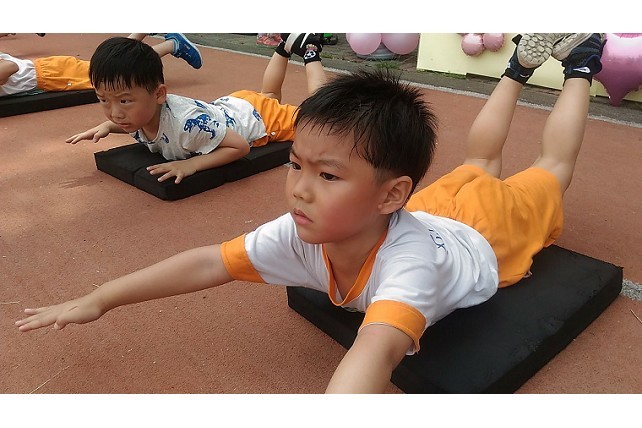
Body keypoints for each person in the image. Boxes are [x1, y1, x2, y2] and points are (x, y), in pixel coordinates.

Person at [15, 33, 605, 393]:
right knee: (479, 160)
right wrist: (101, 298)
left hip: (486, 234)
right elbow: (207, 263)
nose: (298, 189)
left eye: (327, 175)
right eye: (296, 165)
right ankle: (519, 68)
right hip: (428, 212)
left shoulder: (409, 268)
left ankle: (579, 64)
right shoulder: (311, 227)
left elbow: (374, 351)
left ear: (388, 194)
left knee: (551, 170)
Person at [65, 33, 327, 184]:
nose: (115, 113)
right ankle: (285, 47)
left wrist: (192, 165)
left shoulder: (186, 126)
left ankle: (310, 49)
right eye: (103, 100)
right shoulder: (135, 115)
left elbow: (240, 147)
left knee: (321, 120)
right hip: (235, 105)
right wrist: (107, 127)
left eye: (123, 101)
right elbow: (126, 120)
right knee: (268, 95)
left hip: (262, 119)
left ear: (159, 94)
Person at [0, 33, 202, 98]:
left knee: (114, 69)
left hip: (52, 74)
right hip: (50, 72)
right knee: (110, 63)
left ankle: (172, 44)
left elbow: (11, 67)